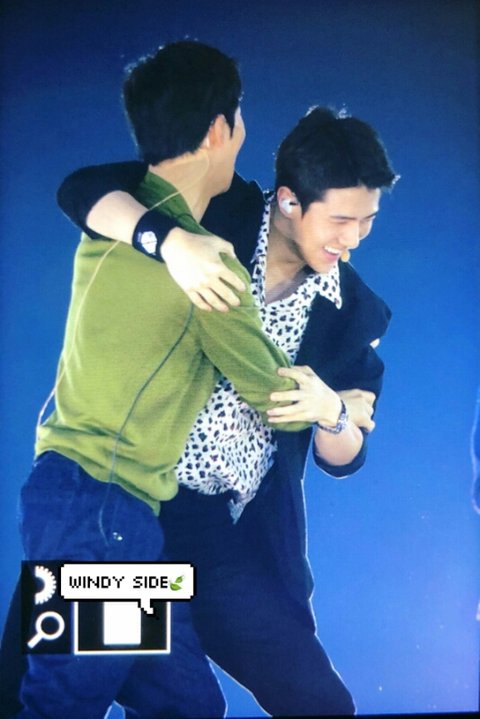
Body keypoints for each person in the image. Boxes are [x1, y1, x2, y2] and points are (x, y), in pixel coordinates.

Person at [3, 39, 331, 719]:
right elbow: (272, 393)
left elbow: (85, 191)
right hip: (104, 514)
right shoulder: (210, 264)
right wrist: (332, 406)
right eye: (239, 119)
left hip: (95, 509)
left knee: (185, 703)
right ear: (218, 130)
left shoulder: (116, 222)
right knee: (63, 702)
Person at [51, 104, 398, 716]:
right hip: (118, 501)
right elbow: (83, 189)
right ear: (289, 201)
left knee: (318, 702)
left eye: (367, 221)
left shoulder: (354, 311)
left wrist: (330, 412)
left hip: (215, 533)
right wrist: (172, 242)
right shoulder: (213, 210)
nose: (353, 239)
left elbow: (345, 457)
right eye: (341, 220)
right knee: (74, 697)